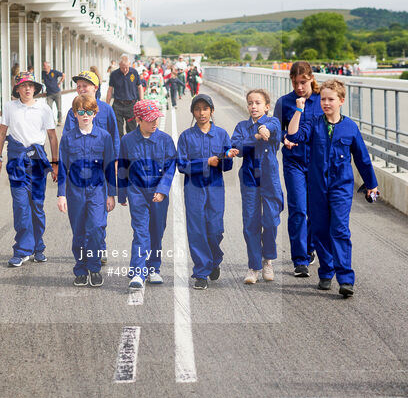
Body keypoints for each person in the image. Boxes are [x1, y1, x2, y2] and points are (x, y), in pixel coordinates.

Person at [286, 79, 379, 298]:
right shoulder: (314, 123)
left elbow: (363, 159)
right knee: (319, 230)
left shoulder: (350, 127)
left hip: (341, 187)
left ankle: (345, 279)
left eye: (331, 99)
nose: (326, 103)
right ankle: (326, 272)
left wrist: (372, 185)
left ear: (341, 101)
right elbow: (293, 135)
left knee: (339, 230)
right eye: (323, 99)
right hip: (317, 186)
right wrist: (299, 110)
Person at [0, 72, 59, 267]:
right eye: (23, 86)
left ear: (36, 89)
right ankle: (22, 250)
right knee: (21, 206)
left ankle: (38, 246)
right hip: (16, 161)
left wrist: (55, 165)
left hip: (37, 161)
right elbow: (2, 132)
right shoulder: (9, 107)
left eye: (31, 85)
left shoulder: (44, 108)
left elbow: (53, 137)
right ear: (18, 89)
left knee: (36, 207)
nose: (27, 88)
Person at [57, 95, 117, 287]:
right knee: (79, 232)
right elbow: (63, 168)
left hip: (98, 191)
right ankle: (81, 269)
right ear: (74, 114)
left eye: (89, 112)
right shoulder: (67, 138)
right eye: (81, 112)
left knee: (97, 228)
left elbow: (109, 167)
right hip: (75, 193)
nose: (85, 115)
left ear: (95, 114)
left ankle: (95, 267)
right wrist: (61, 194)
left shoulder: (104, 137)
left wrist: (111, 194)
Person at [118, 100, 177, 289]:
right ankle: (138, 271)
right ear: (138, 120)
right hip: (137, 191)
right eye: (150, 120)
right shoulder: (127, 141)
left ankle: (154, 268)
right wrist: (121, 194)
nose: (155, 123)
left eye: (156, 119)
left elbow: (170, 167)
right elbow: (123, 168)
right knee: (141, 231)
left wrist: (162, 190)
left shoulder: (165, 140)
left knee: (157, 231)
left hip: (158, 191)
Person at [63, 69, 120, 265]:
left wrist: (116, 162)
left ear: (95, 87)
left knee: (98, 217)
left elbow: (114, 137)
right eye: (78, 86)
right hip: (79, 171)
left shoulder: (106, 110)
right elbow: (67, 139)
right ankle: (86, 257)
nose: (81, 89)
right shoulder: (74, 110)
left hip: (100, 169)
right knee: (81, 222)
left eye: (84, 86)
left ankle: (99, 248)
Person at [227, 89, 284, 285]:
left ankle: (267, 259)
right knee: (251, 222)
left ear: (267, 106)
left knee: (270, 220)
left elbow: (274, 129)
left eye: (258, 103)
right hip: (250, 178)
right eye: (250, 103)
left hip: (269, 178)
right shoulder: (242, 126)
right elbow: (238, 147)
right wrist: (257, 136)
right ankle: (254, 267)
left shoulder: (273, 122)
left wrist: (264, 129)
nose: (253, 106)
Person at [176, 95, 232, 290]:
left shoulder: (222, 134)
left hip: (215, 186)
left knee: (215, 229)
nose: (201, 113)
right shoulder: (186, 136)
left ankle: (215, 259)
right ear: (193, 112)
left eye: (205, 109)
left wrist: (226, 157)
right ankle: (201, 272)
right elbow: (182, 165)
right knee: (197, 229)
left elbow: (227, 166)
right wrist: (205, 162)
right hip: (194, 187)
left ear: (212, 111)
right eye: (197, 109)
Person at [273, 61, 322, 277]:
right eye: (295, 83)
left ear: (311, 78)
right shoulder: (284, 102)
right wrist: (284, 138)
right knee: (298, 210)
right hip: (294, 161)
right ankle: (300, 260)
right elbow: (276, 131)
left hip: (318, 162)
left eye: (303, 82)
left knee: (315, 211)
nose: (299, 87)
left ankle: (310, 247)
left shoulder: (323, 100)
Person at [106, 54, 144, 137]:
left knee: (131, 130)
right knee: (118, 131)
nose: (125, 69)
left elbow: (140, 87)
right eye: (123, 67)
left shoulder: (134, 72)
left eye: (127, 67)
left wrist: (141, 101)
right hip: (118, 105)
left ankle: (130, 148)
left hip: (131, 105)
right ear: (119, 65)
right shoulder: (114, 74)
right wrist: (107, 105)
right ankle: (120, 148)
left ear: (129, 64)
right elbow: (110, 90)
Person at [42, 61, 64, 125]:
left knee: (59, 108)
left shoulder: (54, 72)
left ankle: (59, 121)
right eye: (43, 66)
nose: (44, 67)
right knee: (49, 109)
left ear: (48, 67)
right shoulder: (43, 73)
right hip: (49, 94)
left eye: (45, 66)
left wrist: (60, 83)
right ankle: (52, 121)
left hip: (57, 93)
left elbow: (63, 75)